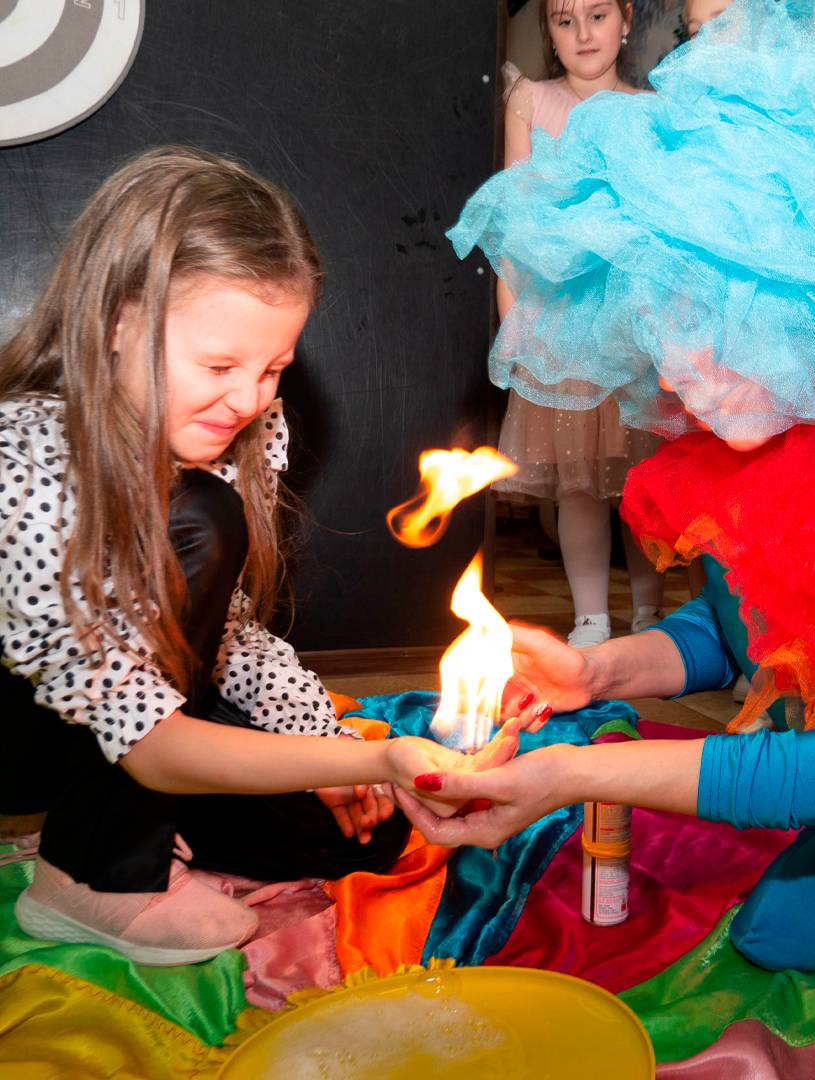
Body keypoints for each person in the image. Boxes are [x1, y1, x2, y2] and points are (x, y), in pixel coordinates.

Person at [406, 0, 815, 972]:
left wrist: (575, 775)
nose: (670, 365)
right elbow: (749, 623)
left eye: (698, 316)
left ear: (807, 305)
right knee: (777, 933)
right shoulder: (778, 412)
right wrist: (601, 673)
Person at [0, 147, 513, 966]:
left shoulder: (240, 426)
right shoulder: (23, 463)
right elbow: (147, 738)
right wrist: (377, 751)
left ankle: (119, 832)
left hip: (135, 712)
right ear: (119, 322)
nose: (248, 400)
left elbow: (224, 635)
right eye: (219, 365)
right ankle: (88, 875)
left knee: (357, 839)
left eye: (273, 368)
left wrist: (331, 751)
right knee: (200, 520)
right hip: (38, 734)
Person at [488, 0, 666, 648]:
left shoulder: (651, 111)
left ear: (626, 21)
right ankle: (591, 618)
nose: (584, 34)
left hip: (631, 323)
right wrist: (515, 317)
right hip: (560, 322)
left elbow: (663, 226)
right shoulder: (530, 101)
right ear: (549, 33)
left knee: (642, 480)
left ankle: (650, 616)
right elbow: (514, 216)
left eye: (598, 16)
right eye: (565, 22)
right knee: (578, 481)